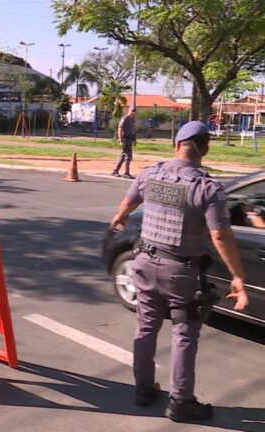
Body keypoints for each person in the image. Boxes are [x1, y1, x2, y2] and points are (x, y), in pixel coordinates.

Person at [109, 121, 248, 422]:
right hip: (181, 272)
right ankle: (181, 403)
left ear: (176, 144)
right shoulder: (207, 187)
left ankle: (144, 389)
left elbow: (128, 203)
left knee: (146, 327)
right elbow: (220, 236)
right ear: (206, 149)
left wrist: (119, 218)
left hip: (144, 263)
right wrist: (238, 276)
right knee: (184, 334)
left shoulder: (149, 173)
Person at [113, 106, 137, 179]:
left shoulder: (132, 120)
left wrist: (135, 139)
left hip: (130, 139)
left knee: (123, 157)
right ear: (129, 110)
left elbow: (133, 130)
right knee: (128, 156)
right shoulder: (125, 119)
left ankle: (115, 171)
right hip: (125, 139)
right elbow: (120, 129)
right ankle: (126, 173)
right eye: (132, 110)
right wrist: (120, 140)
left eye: (134, 111)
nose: (133, 112)